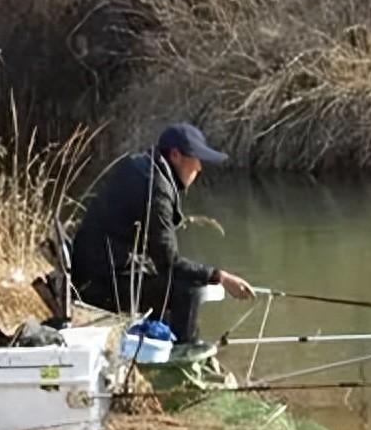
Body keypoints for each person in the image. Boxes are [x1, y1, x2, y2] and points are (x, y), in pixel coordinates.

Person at [70, 123, 254, 342]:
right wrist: (221, 277)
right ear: (175, 155)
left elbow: (159, 256)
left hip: (90, 273)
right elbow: (170, 263)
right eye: (195, 159)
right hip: (98, 286)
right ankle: (180, 357)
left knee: (173, 280)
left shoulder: (140, 166)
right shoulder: (156, 189)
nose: (199, 168)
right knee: (189, 289)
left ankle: (159, 341)